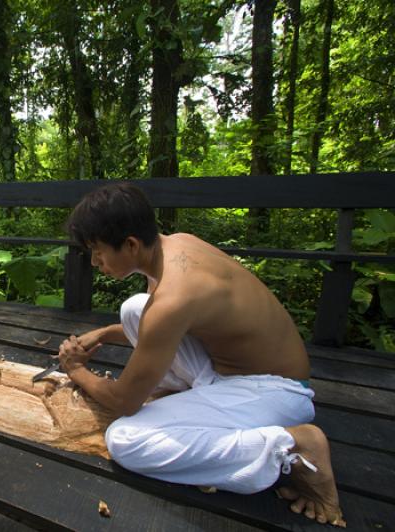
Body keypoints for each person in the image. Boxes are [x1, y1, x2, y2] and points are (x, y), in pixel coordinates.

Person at [57, 182, 345, 527]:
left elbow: (124, 402)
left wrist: (76, 370)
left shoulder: (175, 298)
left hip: (275, 392)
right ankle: (187, 398)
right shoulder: (176, 245)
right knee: (135, 309)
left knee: (126, 440)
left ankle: (288, 446)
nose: (94, 261)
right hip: (231, 372)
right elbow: (159, 328)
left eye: (98, 250)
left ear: (131, 244)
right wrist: (102, 333)